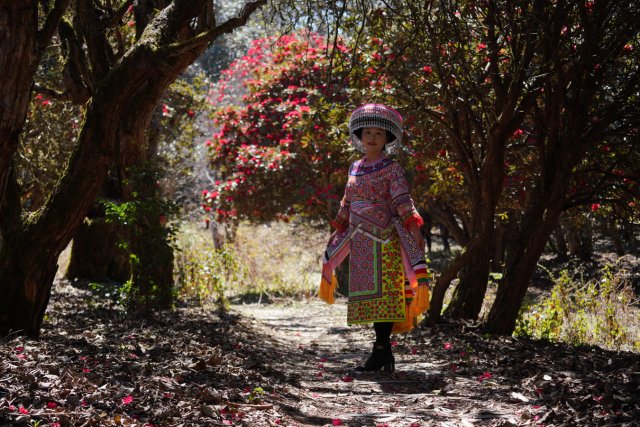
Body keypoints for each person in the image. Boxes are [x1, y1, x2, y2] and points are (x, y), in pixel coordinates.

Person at [319, 103, 430, 372]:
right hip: (360, 241)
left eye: (378, 133)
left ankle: (380, 352)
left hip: (385, 240)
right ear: (360, 136)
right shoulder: (354, 168)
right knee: (370, 299)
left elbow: (402, 199)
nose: (372, 137)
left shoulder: (392, 169)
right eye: (367, 132)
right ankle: (383, 353)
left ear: (386, 138)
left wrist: (415, 229)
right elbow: (347, 202)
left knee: (385, 297)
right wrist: (338, 229)